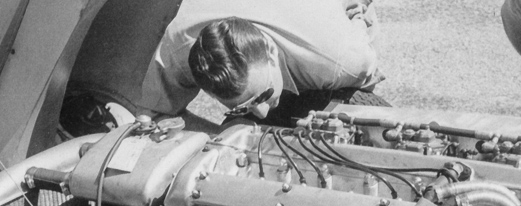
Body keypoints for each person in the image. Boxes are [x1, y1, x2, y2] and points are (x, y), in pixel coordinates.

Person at [138, 0, 382, 124]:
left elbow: (365, 81)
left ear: (271, 52)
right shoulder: (181, 43)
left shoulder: (338, 58)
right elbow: (153, 114)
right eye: (240, 107)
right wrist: (219, 138)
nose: (263, 114)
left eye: (263, 96)